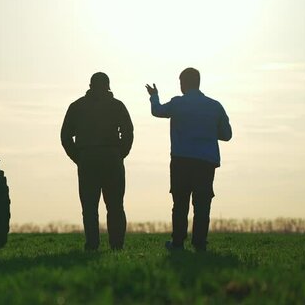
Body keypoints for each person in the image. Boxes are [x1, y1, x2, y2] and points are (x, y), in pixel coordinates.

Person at [145, 68, 232, 252]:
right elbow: (227, 134)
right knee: (202, 205)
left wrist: (154, 96)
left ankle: (178, 243)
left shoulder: (177, 104)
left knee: (180, 203)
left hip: (181, 161)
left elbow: (158, 111)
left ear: (183, 83)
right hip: (206, 162)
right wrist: (207, 131)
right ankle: (200, 244)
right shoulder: (215, 106)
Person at [61, 72, 133, 251]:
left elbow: (65, 136)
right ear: (108, 86)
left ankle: (92, 245)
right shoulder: (117, 106)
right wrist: (120, 153)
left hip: (88, 160)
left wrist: (78, 157)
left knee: (89, 207)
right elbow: (128, 132)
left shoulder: (77, 106)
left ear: (90, 85)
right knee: (116, 206)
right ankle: (117, 246)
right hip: (112, 159)